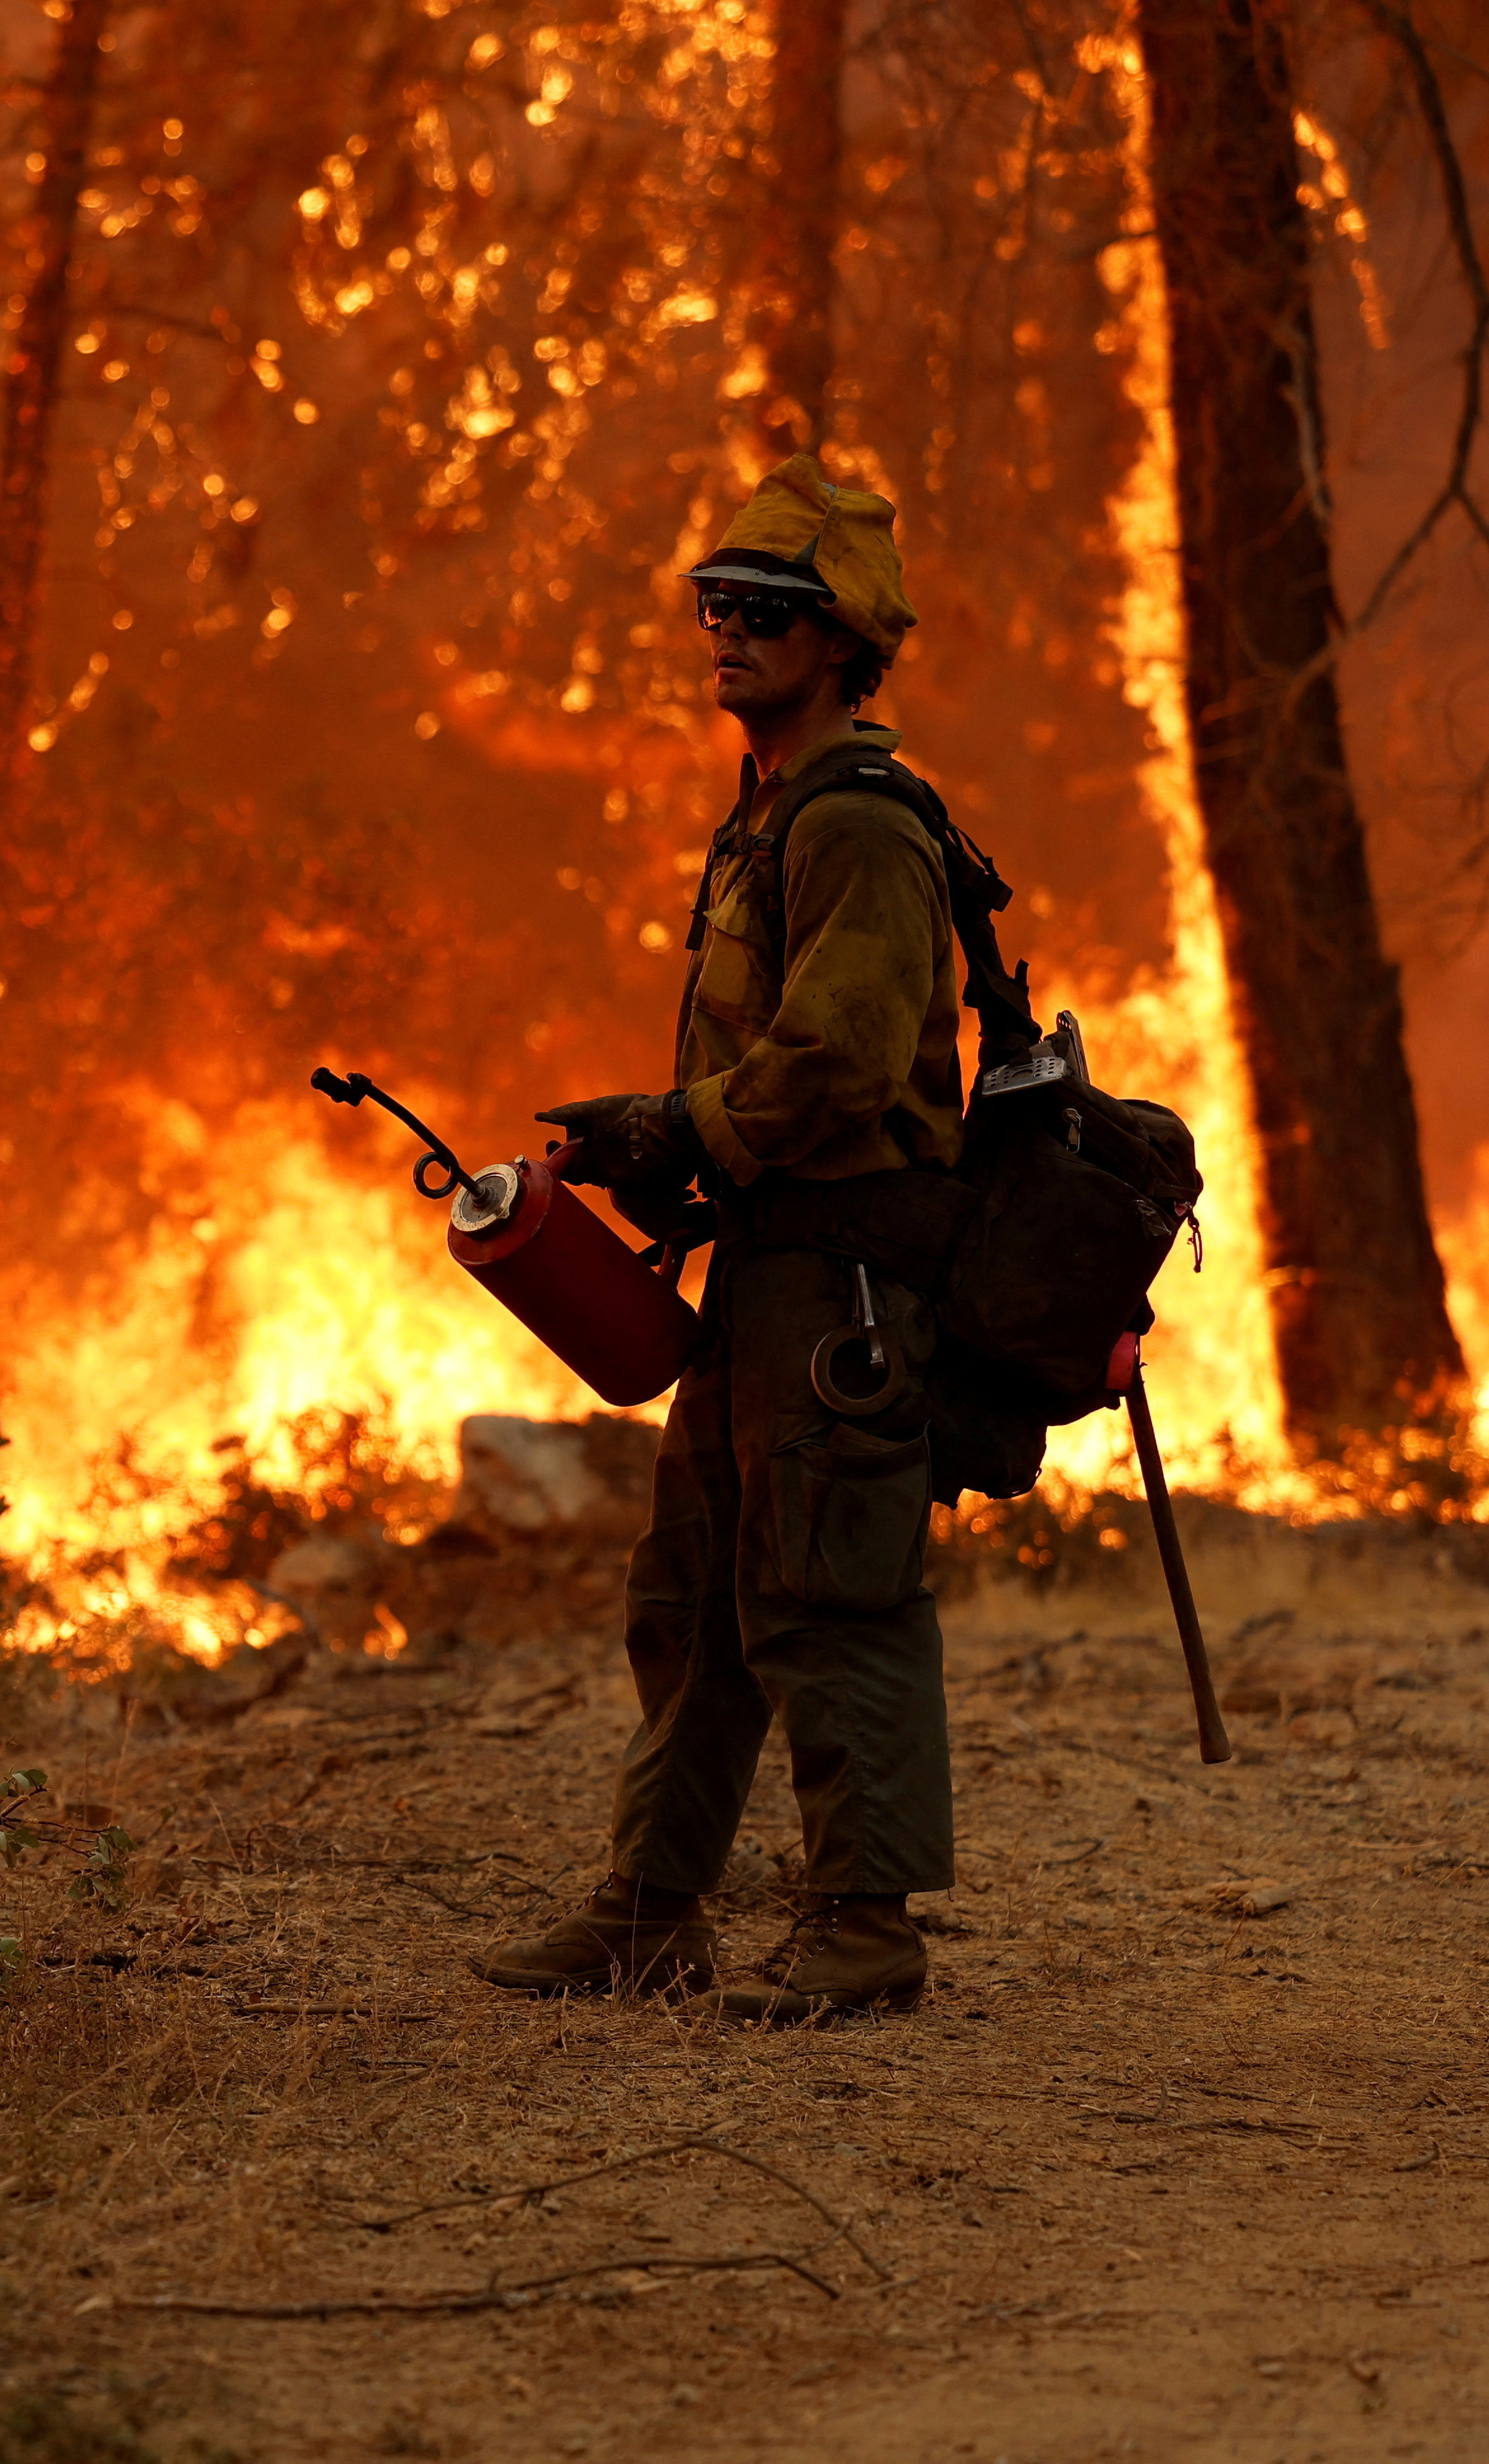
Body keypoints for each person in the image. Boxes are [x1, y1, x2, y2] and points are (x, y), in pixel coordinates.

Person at [472, 452, 966, 2023]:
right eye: (717, 605)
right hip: (765, 1263)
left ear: (842, 643)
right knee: (691, 1598)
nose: (730, 633)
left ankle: (865, 1927)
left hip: (846, 1280)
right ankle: (650, 1910)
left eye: (769, 610)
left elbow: (842, 1061)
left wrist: (680, 1125)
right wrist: (659, 1144)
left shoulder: (864, 825)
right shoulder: (764, 817)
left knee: (830, 1593)